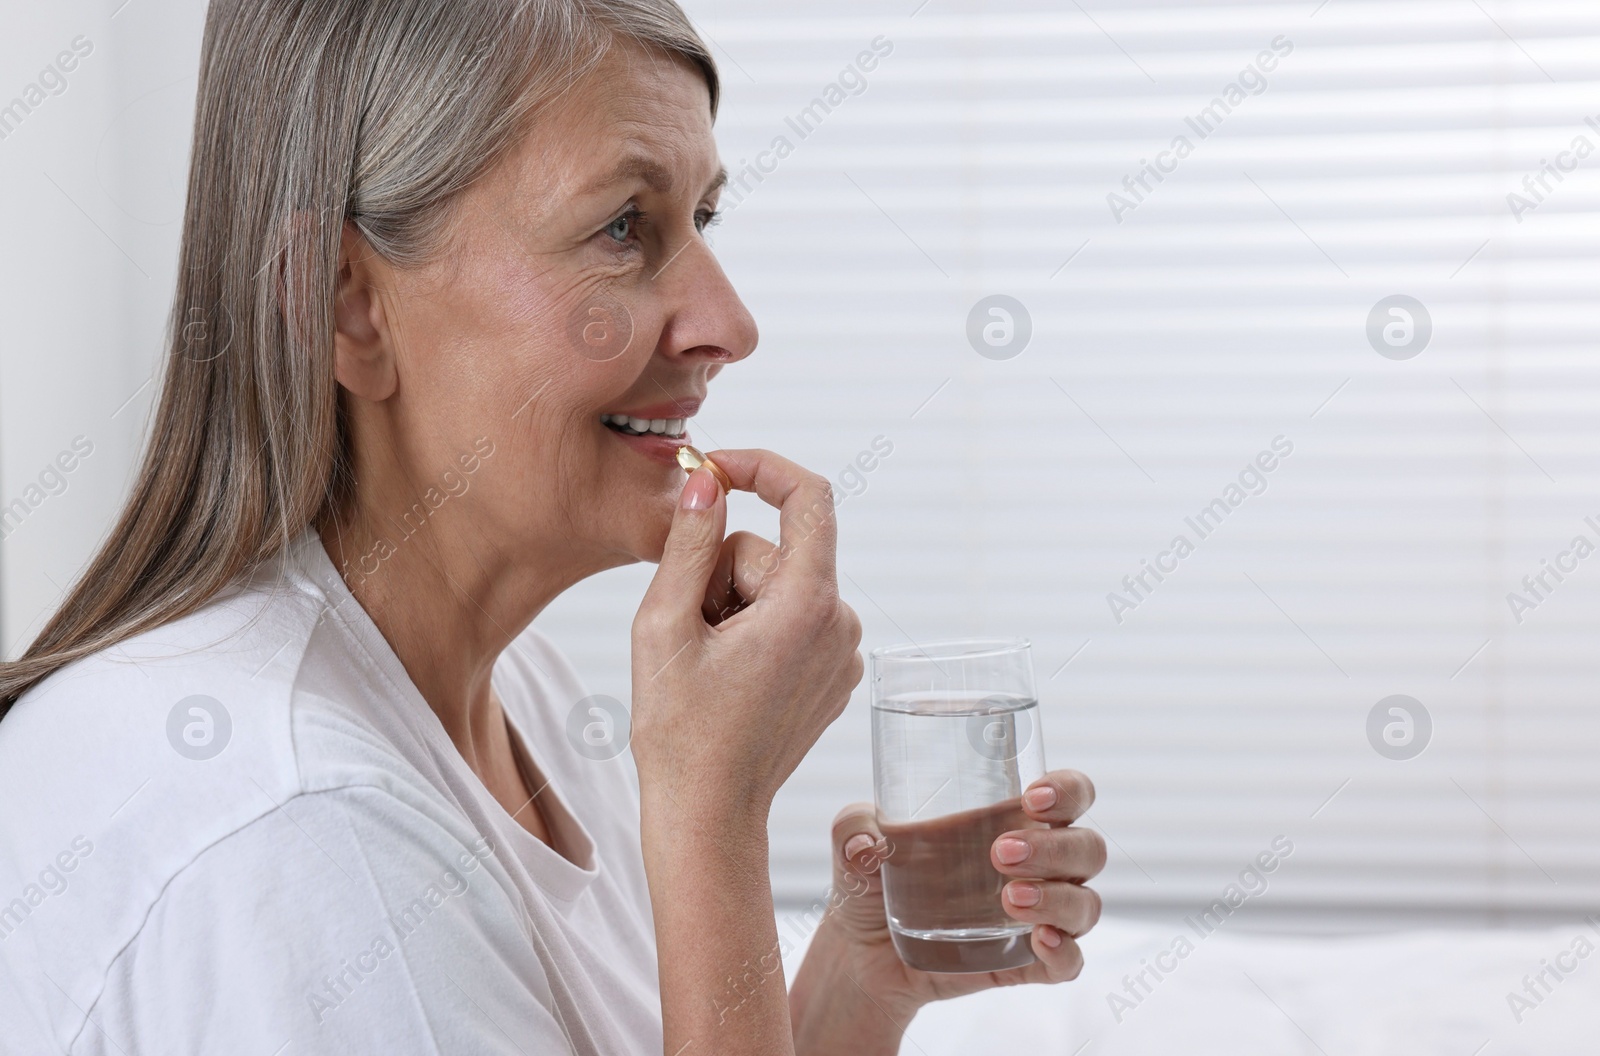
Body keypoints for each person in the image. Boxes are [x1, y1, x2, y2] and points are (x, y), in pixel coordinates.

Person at [0, 1, 1104, 1052]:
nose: (729, 324)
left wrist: (860, 988)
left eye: (700, 218)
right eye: (623, 226)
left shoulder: (506, 690)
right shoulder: (296, 835)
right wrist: (711, 819)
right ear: (343, 302)